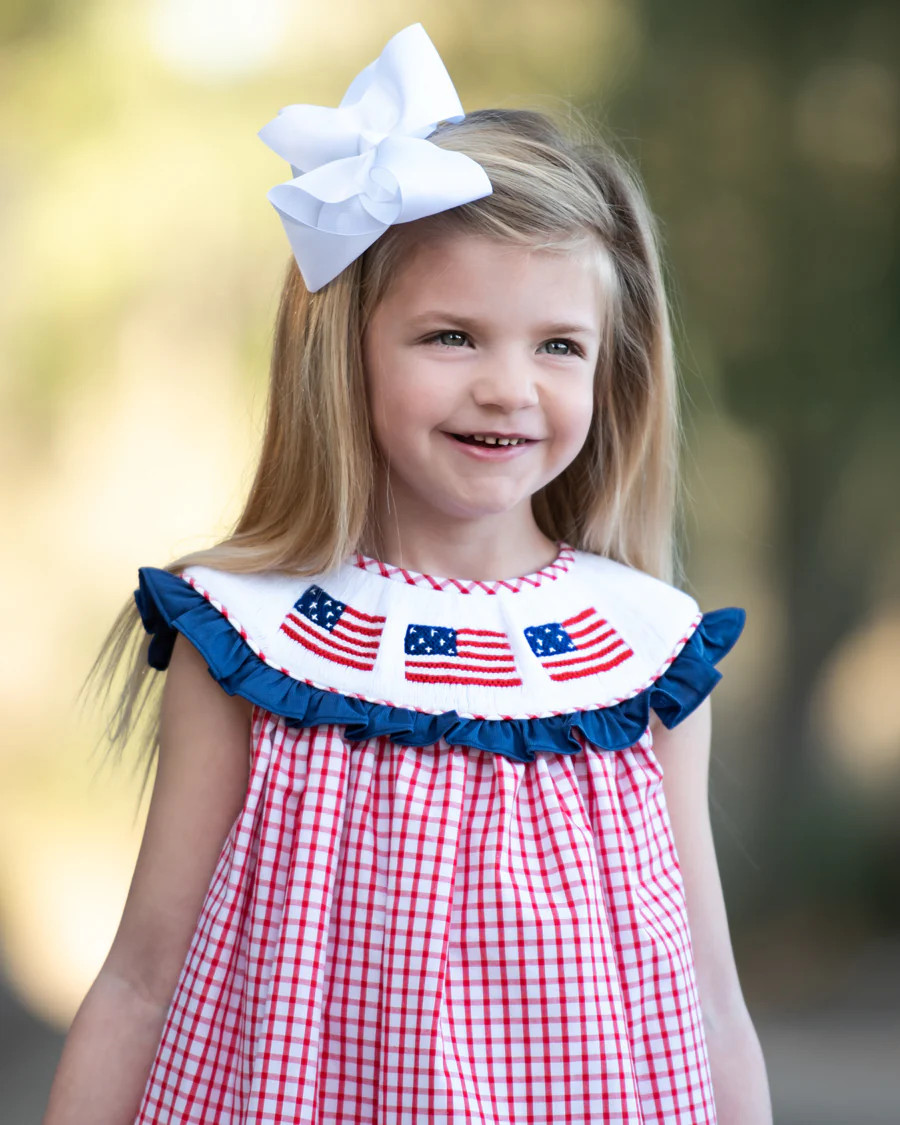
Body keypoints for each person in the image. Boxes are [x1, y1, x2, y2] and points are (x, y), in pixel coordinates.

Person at [44, 23, 772, 1125]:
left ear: (613, 370)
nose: (508, 389)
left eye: (558, 346)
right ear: (348, 350)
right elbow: (142, 983)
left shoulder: (644, 653)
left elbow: (708, 1004)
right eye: (452, 337)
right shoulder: (254, 642)